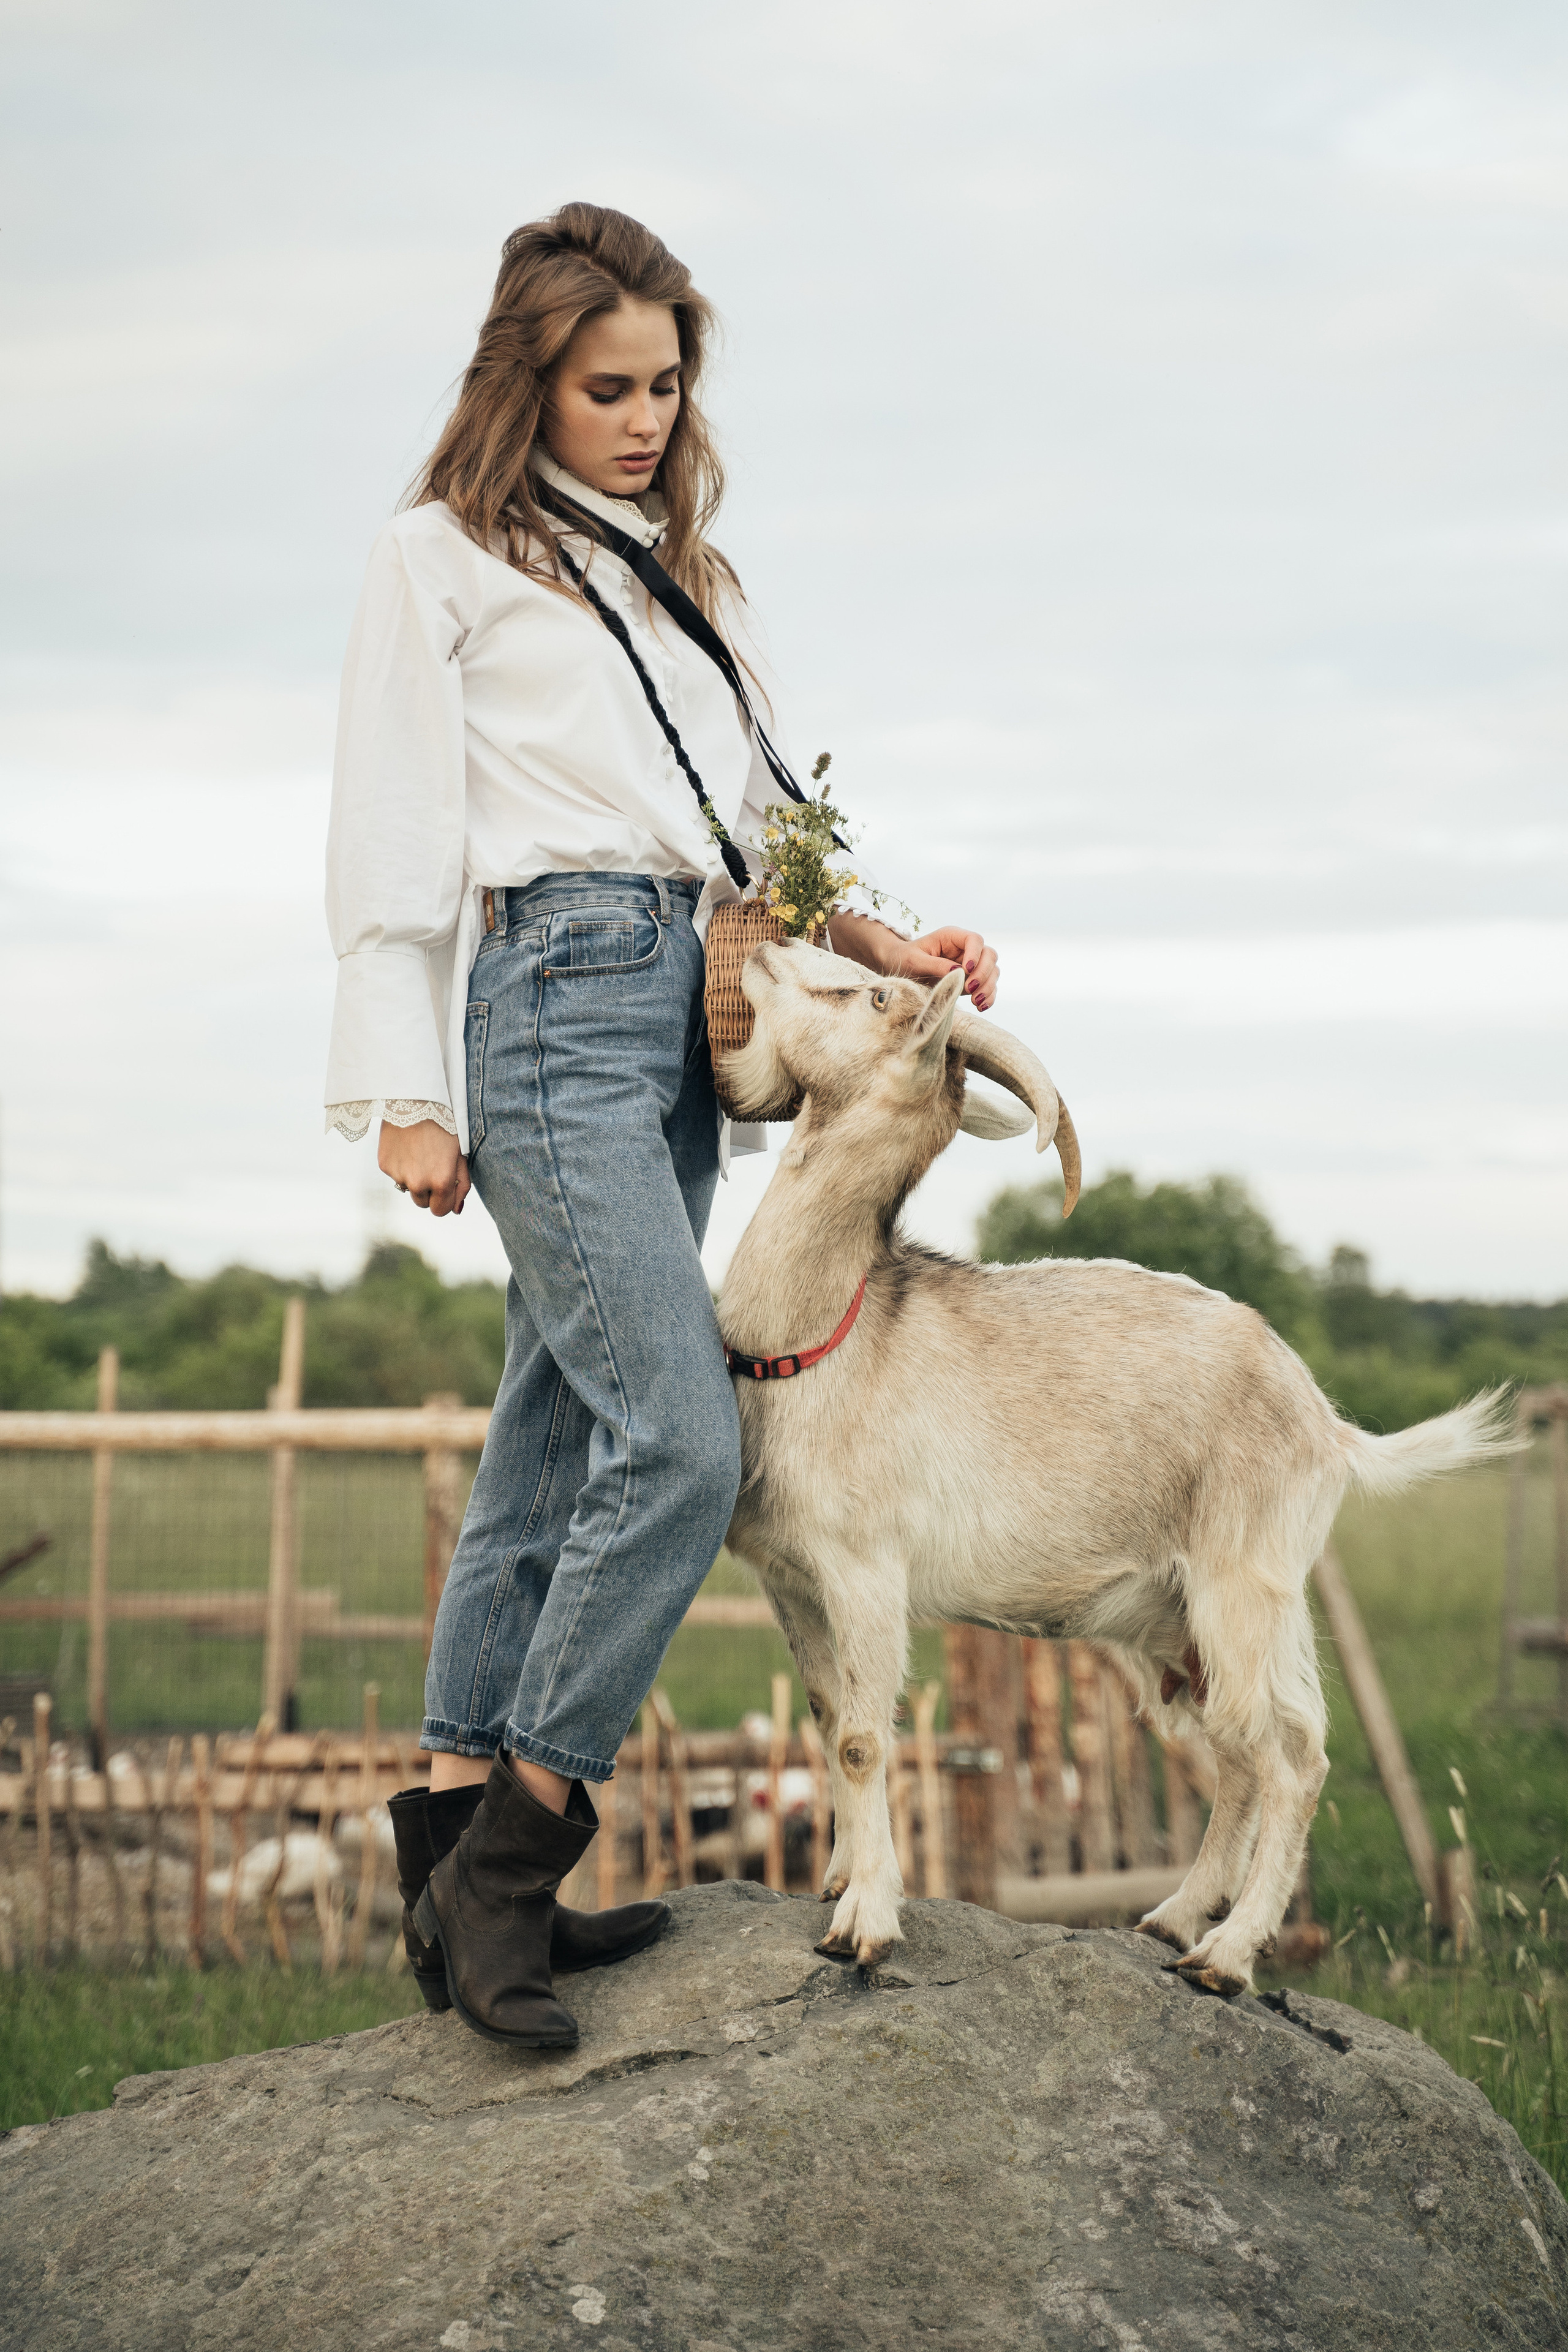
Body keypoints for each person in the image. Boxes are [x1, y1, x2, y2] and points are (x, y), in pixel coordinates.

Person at [324, 202, 1001, 2048]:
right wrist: (401, 1090)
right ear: (526, 377)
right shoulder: (442, 558)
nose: (641, 415)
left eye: (666, 384)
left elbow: (768, 825)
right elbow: (389, 831)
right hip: (544, 1002)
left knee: (550, 1444)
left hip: (698, 1016)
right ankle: (516, 1868)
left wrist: (884, 936)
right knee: (689, 1441)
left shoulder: (695, 578)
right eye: (605, 384)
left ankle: (456, 1871)